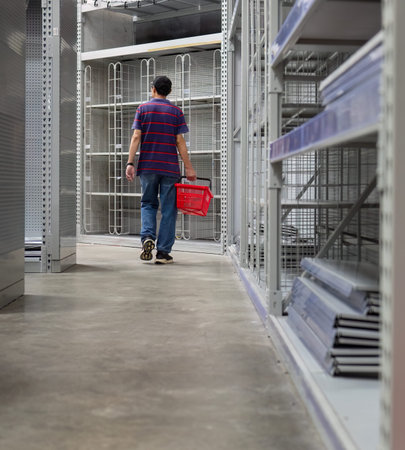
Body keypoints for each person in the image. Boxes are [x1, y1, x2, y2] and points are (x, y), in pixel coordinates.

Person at [125, 75, 197, 264]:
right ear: (169, 91)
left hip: (147, 167)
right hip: (170, 168)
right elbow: (180, 141)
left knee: (148, 203)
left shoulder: (143, 109)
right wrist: (189, 168)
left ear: (153, 89)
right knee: (169, 209)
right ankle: (163, 252)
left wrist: (130, 163)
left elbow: (135, 137)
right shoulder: (176, 112)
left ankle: (147, 237)